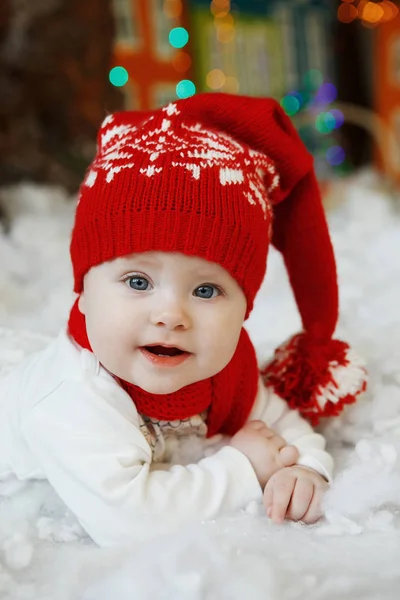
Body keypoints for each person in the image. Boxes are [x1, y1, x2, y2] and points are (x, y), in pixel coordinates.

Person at [0, 94, 367, 547]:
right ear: (83, 293)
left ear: (244, 309)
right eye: (137, 282)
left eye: (207, 290)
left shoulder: (223, 371)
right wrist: (242, 467)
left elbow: (281, 423)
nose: (171, 315)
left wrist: (303, 467)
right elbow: (130, 523)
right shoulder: (72, 398)